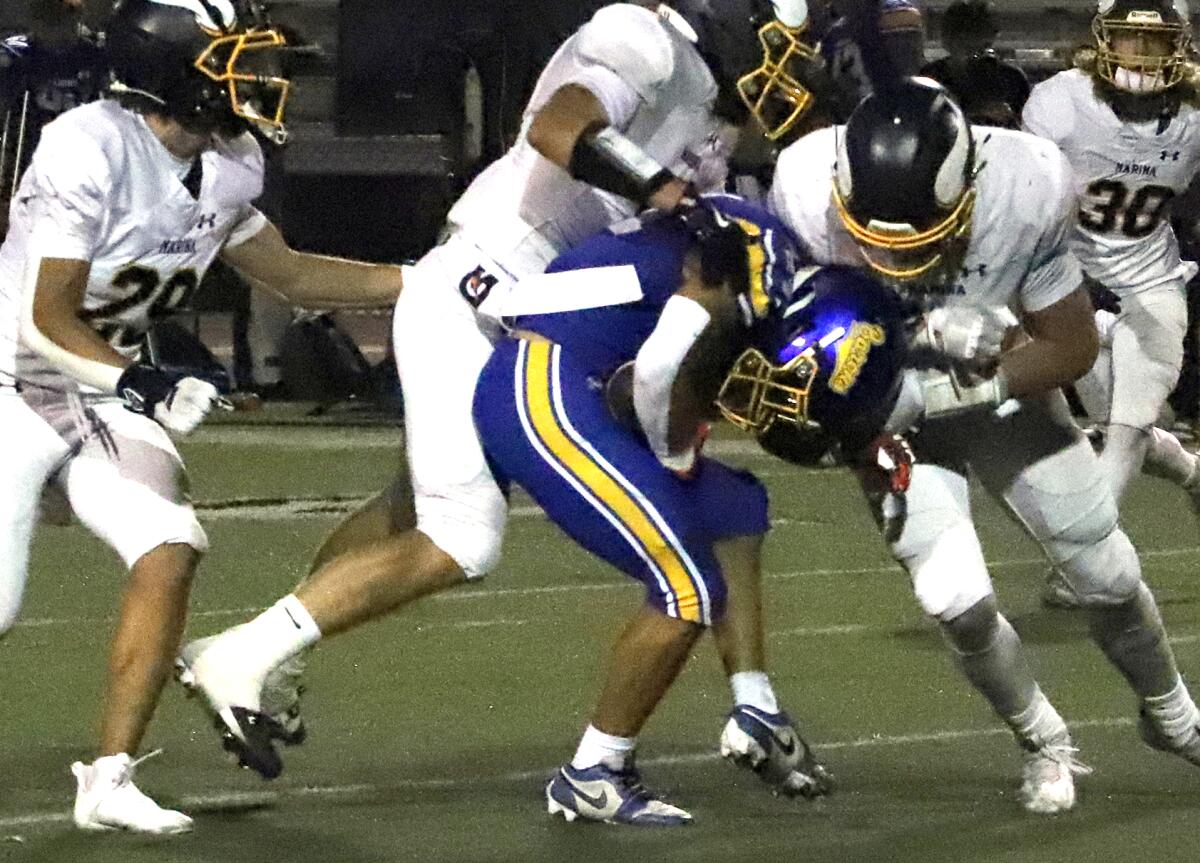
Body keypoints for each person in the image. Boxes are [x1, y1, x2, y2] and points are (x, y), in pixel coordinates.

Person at [177, 0, 827, 787]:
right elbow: (563, 128)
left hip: (522, 306)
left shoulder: (708, 97)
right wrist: (670, 197)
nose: (783, 64)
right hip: (491, 292)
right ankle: (245, 653)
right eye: (776, 38)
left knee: (407, 505)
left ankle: (266, 651)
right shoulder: (643, 38)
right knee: (463, 534)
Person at [0, 0, 403, 833]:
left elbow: (288, 273)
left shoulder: (231, 161)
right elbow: (47, 316)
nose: (257, 78)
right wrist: (142, 386)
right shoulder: (89, 142)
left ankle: (108, 780)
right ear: (173, 72)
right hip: (12, 377)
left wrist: (424, 278)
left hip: (97, 387)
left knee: (172, 546)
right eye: (234, 59)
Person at [767, 76, 1200, 813]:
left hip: (997, 388)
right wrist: (909, 347)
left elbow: (1066, 345)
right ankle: (1043, 740)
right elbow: (800, 350)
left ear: (969, 187)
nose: (900, 261)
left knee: (1106, 571)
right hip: (885, 404)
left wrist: (956, 385)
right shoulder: (806, 189)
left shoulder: (1026, 186)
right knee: (954, 599)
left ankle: (1174, 718)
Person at [467, 195, 832, 825]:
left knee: (736, 505)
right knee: (686, 583)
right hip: (544, 381)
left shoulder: (736, 225)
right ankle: (593, 771)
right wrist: (673, 458)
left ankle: (756, 708)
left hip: (569, 378)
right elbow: (663, 361)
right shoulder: (757, 244)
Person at [1022, 0, 1200, 604]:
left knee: (1126, 431)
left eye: (1155, 42)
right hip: (1072, 288)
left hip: (1152, 285)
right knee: (1109, 429)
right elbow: (1031, 203)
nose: (1142, 55)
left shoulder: (1195, 115)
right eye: (1129, 40)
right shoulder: (1060, 103)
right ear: (1103, 42)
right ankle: (1190, 472)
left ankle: (1084, 564)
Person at [921, 0, 1030, 127]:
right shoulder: (931, 77)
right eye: (963, 44)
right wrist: (973, 114)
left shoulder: (1012, 78)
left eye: (978, 47)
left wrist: (1010, 118)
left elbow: (1028, 131)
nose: (972, 56)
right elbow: (921, 124)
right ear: (948, 41)